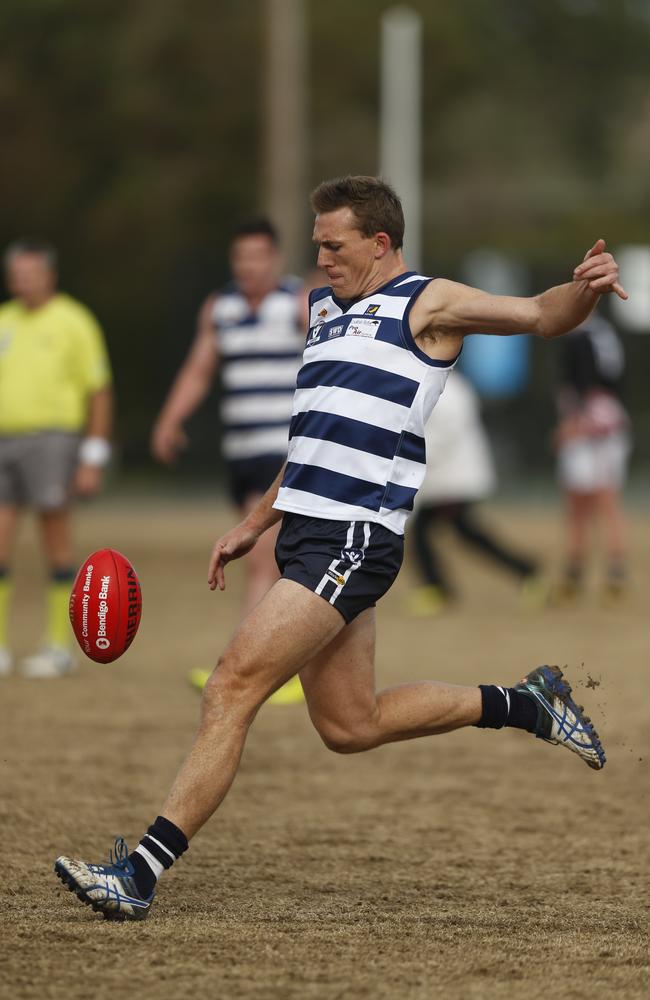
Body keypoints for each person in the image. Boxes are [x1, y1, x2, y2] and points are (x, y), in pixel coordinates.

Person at [54, 176, 626, 920]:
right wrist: (256, 523)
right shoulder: (323, 313)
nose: (319, 257)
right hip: (305, 534)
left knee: (231, 685)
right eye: (317, 243)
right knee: (350, 725)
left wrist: (582, 287)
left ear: (380, 243)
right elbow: (312, 439)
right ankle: (526, 704)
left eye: (334, 244)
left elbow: (543, 315)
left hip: (356, 535)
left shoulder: (429, 302)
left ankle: (139, 874)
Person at [151, 219, 306, 696]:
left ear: (275, 258)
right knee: (272, 562)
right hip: (240, 454)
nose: (248, 266)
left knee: (265, 562)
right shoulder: (220, 309)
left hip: (282, 454)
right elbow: (199, 370)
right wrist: (170, 420)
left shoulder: (298, 303)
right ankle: (272, 670)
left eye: (257, 256)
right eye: (241, 258)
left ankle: (248, 670)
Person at [0, 240, 112, 679]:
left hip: (53, 441)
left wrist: (92, 456)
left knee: (55, 540)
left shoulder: (74, 321)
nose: (23, 280)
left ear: (49, 275)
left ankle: (57, 644)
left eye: (31, 273)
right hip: (3, 441)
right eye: (17, 273)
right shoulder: (5, 320)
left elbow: (98, 390)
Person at [408, 370, 543, 616]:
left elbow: (444, 433)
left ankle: (437, 589)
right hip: (446, 479)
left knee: (433, 533)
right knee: (461, 533)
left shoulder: (446, 386)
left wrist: (410, 454)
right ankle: (525, 570)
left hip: (453, 480)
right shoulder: (440, 381)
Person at [553, 312, 631, 604]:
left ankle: (580, 570)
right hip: (610, 421)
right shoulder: (606, 332)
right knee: (605, 499)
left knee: (582, 504)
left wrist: (573, 421)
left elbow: (581, 382)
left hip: (589, 423)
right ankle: (613, 569)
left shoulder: (581, 335)